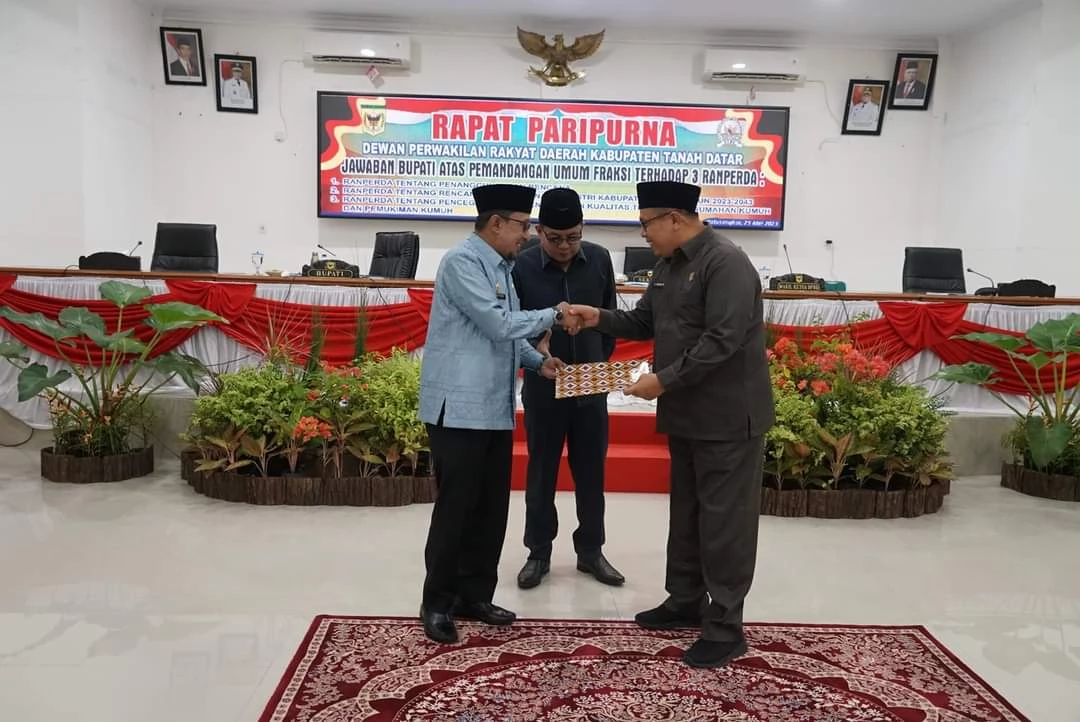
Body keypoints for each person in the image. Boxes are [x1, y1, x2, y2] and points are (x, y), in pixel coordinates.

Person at [564, 180, 775, 669]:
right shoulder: (668, 265)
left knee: (724, 525)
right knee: (687, 515)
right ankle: (684, 600)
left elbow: (722, 340)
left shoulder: (727, 263)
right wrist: (597, 317)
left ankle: (725, 628)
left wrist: (663, 380)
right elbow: (644, 322)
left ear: (675, 219)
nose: (643, 234)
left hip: (727, 418)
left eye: (646, 224)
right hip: (687, 414)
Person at [417, 183, 571, 645]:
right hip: (458, 409)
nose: (527, 234)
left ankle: (475, 596)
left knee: (490, 508)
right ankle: (437, 601)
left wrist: (538, 362)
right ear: (496, 223)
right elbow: (498, 323)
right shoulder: (462, 262)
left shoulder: (502, 267)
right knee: (456, 509)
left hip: (494, 407)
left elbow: (508, 338)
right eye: (523, 225)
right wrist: (554, 314)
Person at [511, 187, 623, 590]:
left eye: (573, 237)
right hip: (544, 382)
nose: (564, 246)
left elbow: (609, 318)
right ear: (539, 231)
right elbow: (514, 325)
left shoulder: (600, 259)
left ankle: (591, 551)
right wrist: (537, 357)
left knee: (591, 472)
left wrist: (596, 361)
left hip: (591, 383)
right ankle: (538, 552)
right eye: (555, 238)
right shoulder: (521, 265)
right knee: (541, 472)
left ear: (583, 229)